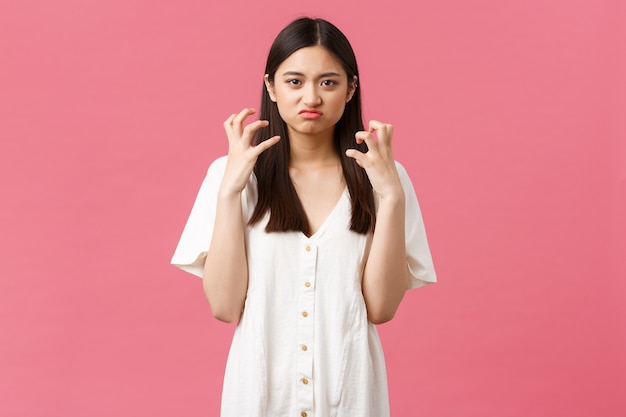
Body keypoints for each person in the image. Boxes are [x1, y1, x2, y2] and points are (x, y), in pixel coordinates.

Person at [171, 17, 436, 417]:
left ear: (350, 89)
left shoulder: (386, 178)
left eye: (328, 82)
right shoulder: (228, 176)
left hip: (351, 399)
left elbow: (380, 309)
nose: (311, 97)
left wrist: (392, 198)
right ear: (271, 87)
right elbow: (225, 306)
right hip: (259, 400)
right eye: (295, 81)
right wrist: (229, 193)